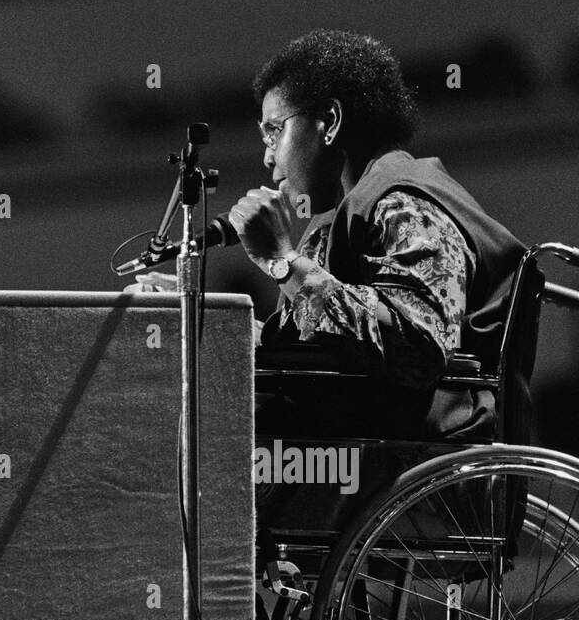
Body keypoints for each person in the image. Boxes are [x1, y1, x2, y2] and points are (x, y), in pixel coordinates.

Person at [229, 28, 536, 446]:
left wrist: (283, 260)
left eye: (274, 131)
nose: (267, 156)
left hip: (401, 459)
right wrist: (214, 325)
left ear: (330, 122)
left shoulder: (406, 203)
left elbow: (418, 349)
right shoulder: (338, 216)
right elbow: (316, 347)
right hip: (349, 449)